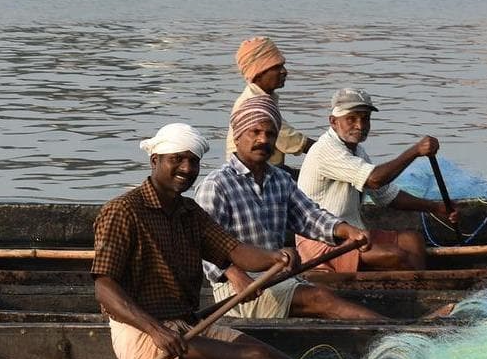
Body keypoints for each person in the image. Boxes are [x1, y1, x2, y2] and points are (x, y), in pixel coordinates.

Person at [93, 123, 296, 359]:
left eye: (193, 161)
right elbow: (104, 287)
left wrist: (275, 257)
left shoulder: (190, 212)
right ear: (155, 161)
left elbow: (235, 250)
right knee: (256, 358)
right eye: (177, 159)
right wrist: (156, 330)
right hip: (143, 334)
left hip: (187, 325)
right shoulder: (122, 211)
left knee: (277, 358)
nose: (187, 168)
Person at [196, 95, 381, 321]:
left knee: (327, 296)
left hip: (278, 277)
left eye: (270, 134)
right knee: (320, 298)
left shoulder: (280, 179)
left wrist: (347, 230)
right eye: (255, 132)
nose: (263, 140)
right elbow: (202, 245)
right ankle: (393, 331)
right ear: (237, 136)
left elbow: (310, 218)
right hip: (237, 290)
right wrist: (235, 275)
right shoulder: (216, 185)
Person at [296, 88, 459, 272]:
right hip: (322, 240)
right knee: (395, 256)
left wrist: (436, 208)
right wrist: (415, 151)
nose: (360, 125)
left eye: (365, 119)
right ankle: (414, 285)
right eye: (351, 119)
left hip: (355, 234)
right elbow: (374, 180)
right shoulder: (325, 150)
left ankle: (419, 283)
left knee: (413, 240)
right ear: (333, 122)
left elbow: (387, 195)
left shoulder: (357, 151)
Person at [225, 36, 312, 168]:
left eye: (283, 66)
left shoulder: (264, 97)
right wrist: (326, 150)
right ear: (258, 73)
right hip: (251, 171)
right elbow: (291, 141)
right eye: (277, 67)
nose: (284, 72)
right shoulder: (254, 104)